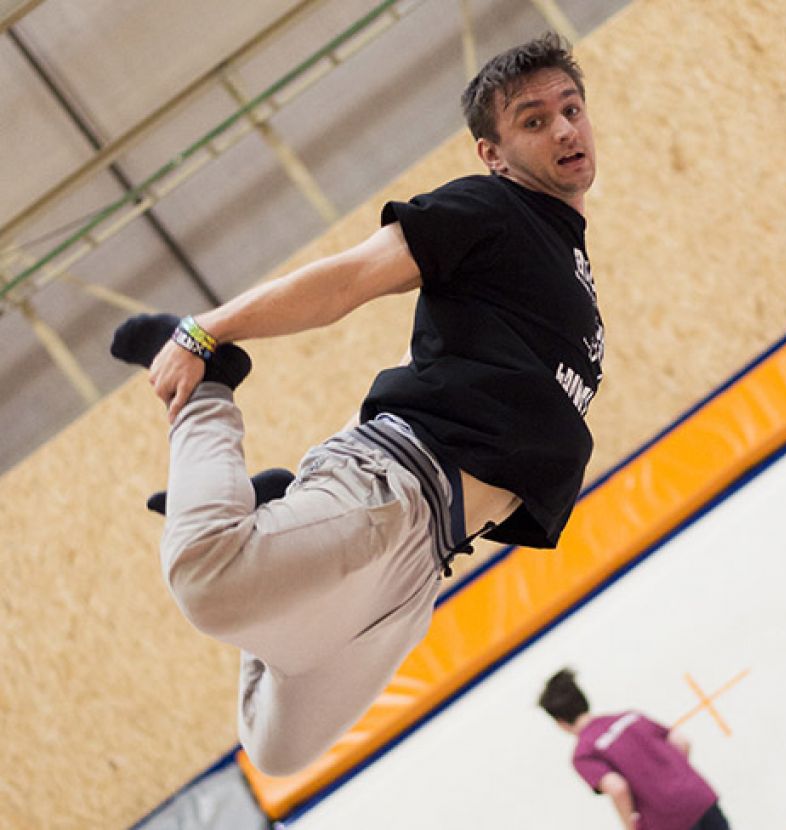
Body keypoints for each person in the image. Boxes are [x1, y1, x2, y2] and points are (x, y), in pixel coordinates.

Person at [110, 33, 604, 776]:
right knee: (207, 580)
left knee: (274, 749)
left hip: (420, 566)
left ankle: (267, 510)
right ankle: (212, 394)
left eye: (572, 109)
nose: (565, 129)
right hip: (392, 487)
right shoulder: (486, 207)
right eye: (534, 121)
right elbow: (348, 279)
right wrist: (206, 330)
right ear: (492, 153)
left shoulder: (570, 265)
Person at [539, 669, 729, 830]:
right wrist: (674, 779)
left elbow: (617, 787)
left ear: (560, 722)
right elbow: (682, 741)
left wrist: (629, 824)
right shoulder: (630, 717)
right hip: (698, 796)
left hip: (667, 820)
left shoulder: (584, 753)